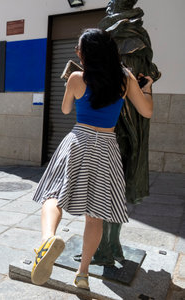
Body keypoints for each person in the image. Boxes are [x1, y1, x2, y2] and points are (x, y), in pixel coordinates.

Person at [30, 28, 153, 290]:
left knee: (53, 195)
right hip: (106, 147)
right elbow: (146, 111)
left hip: (77, 141)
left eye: (78, 49)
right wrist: (148, 89)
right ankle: (83, 275)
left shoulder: (76, 77)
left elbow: (65, 109)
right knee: (95, 214)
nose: (77, 52)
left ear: (85, 54)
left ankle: (48, 240)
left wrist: (71, 87)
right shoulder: (125, 78)